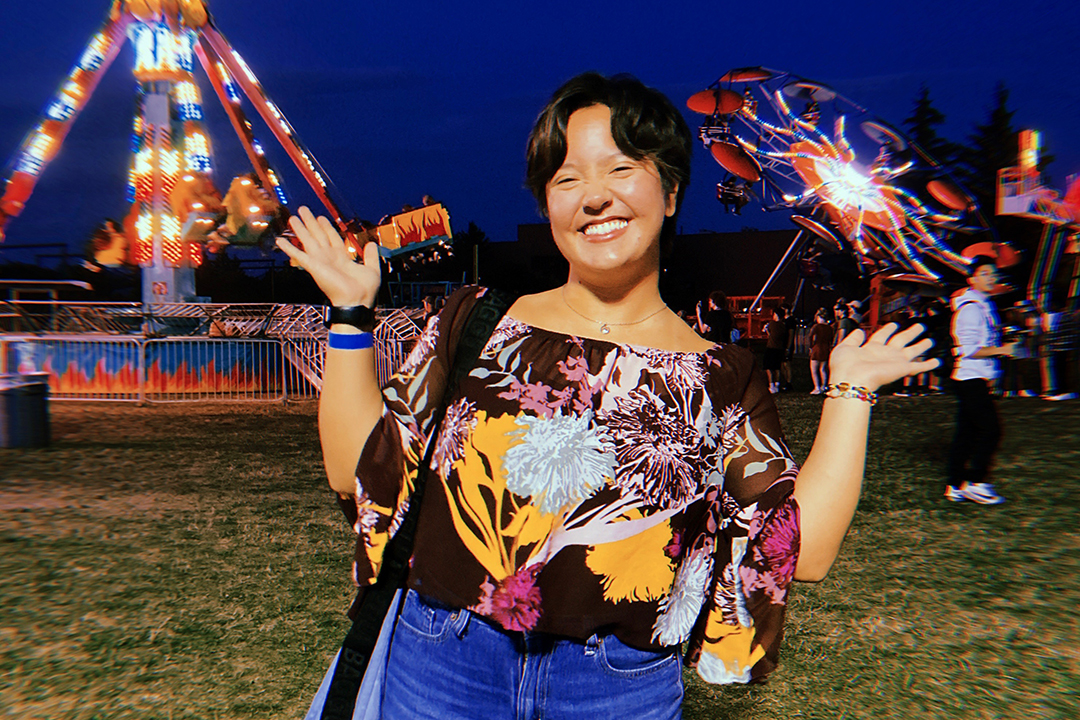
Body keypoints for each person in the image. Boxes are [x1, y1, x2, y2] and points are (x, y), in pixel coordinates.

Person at [277, 72, 935, 719]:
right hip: (442, 665)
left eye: (621, 168)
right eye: (567, 178)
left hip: (613, 689)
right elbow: (358, 468)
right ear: (547, 204)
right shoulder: (476, 321)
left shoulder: (721, 377)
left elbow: (801, 551)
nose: (594, 197)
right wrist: (349, 313)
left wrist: (851, 390)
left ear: (671, 191)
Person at [945, 256, 1019, 505]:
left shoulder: (982, 305)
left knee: (966, 433)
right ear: (972, 278)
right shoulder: (971, 308)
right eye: (985, 273)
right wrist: (1003, 350)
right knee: (991, 430)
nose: (992, 277)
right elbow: (969, 349)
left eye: (993, 273)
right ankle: (977, 483)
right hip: (969, 377)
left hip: (973, 377)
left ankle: (955, 484)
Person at [808, 308, 835, 395]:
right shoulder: (829, 328)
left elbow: (811, 337)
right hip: (826, 348)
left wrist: (810, 347)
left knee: (814, 369)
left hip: (817, 348)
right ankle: (824, 386)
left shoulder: (816, 327)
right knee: (823, 369)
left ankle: (817, 387)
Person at [763, 307, 787, 393]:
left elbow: (769, 334)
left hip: (771, 348)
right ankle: (777, 385)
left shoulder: (772, 324)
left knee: (768, 367)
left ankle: (771, 385)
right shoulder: (783, 326)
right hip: (780, 348)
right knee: (777, 368)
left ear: (776, 315)